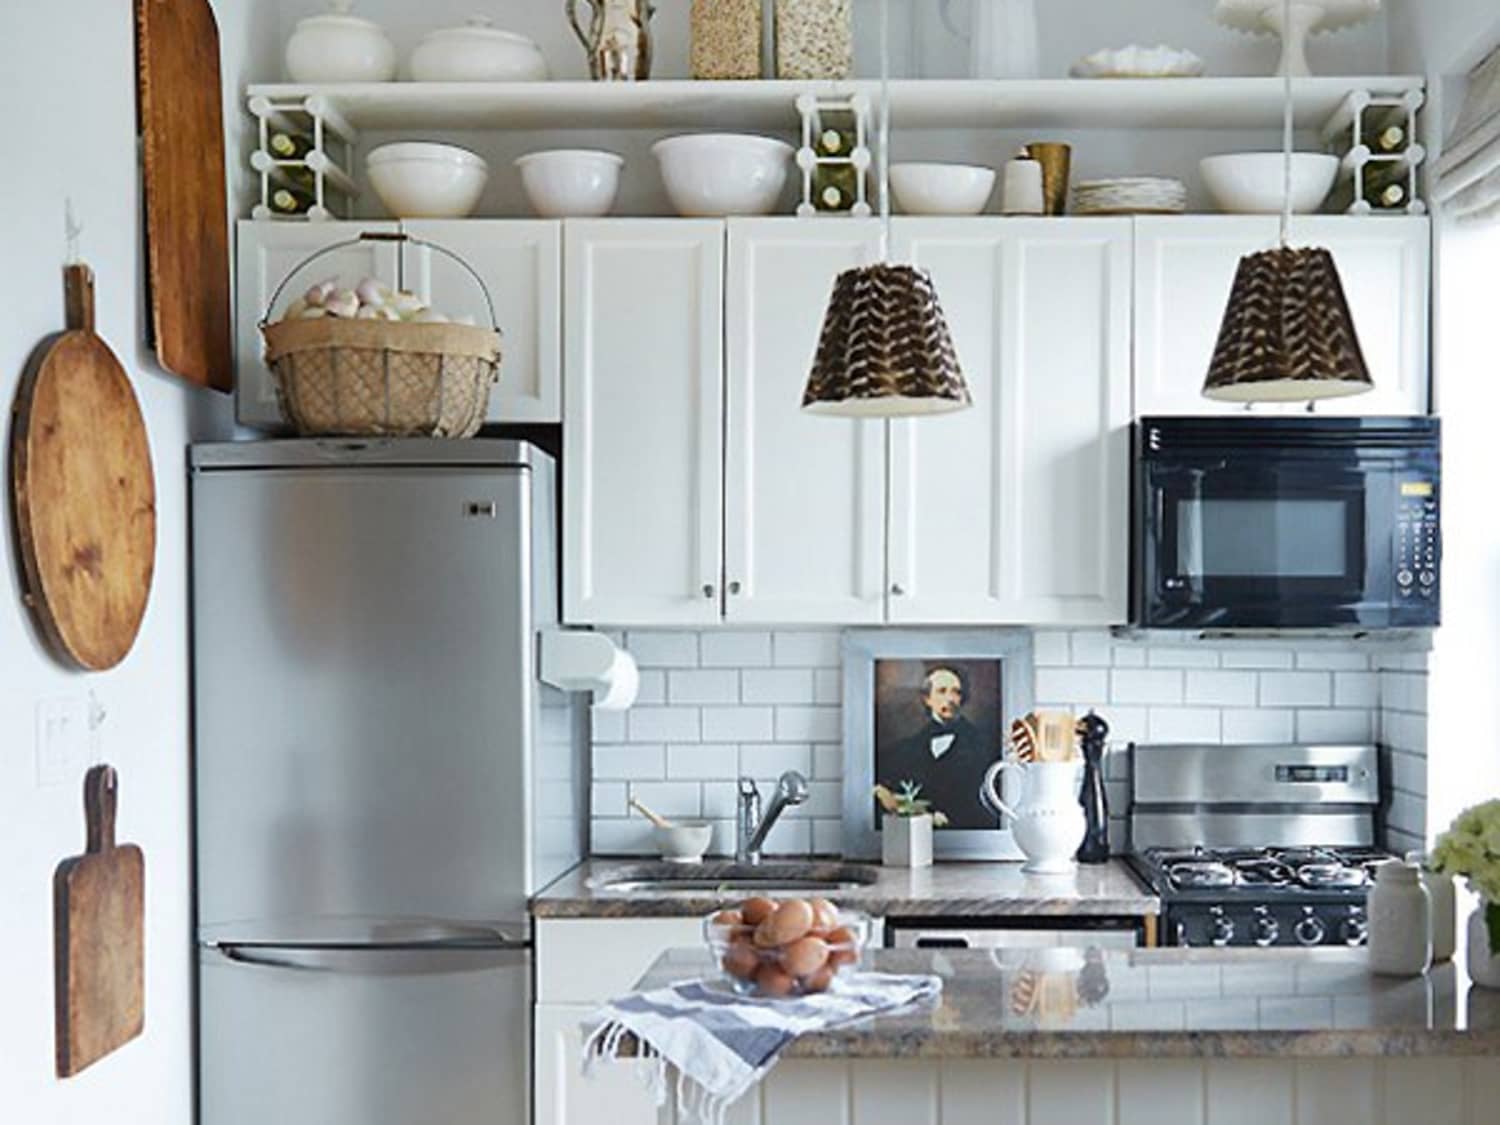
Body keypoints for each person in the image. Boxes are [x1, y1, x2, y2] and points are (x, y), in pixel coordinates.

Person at [878, 665, 999, 830]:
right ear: (927, 699)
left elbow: (987, 803)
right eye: (942, 691)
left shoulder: (981, 744)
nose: (950, 699)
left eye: (956, 692)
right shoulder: (908, 747)